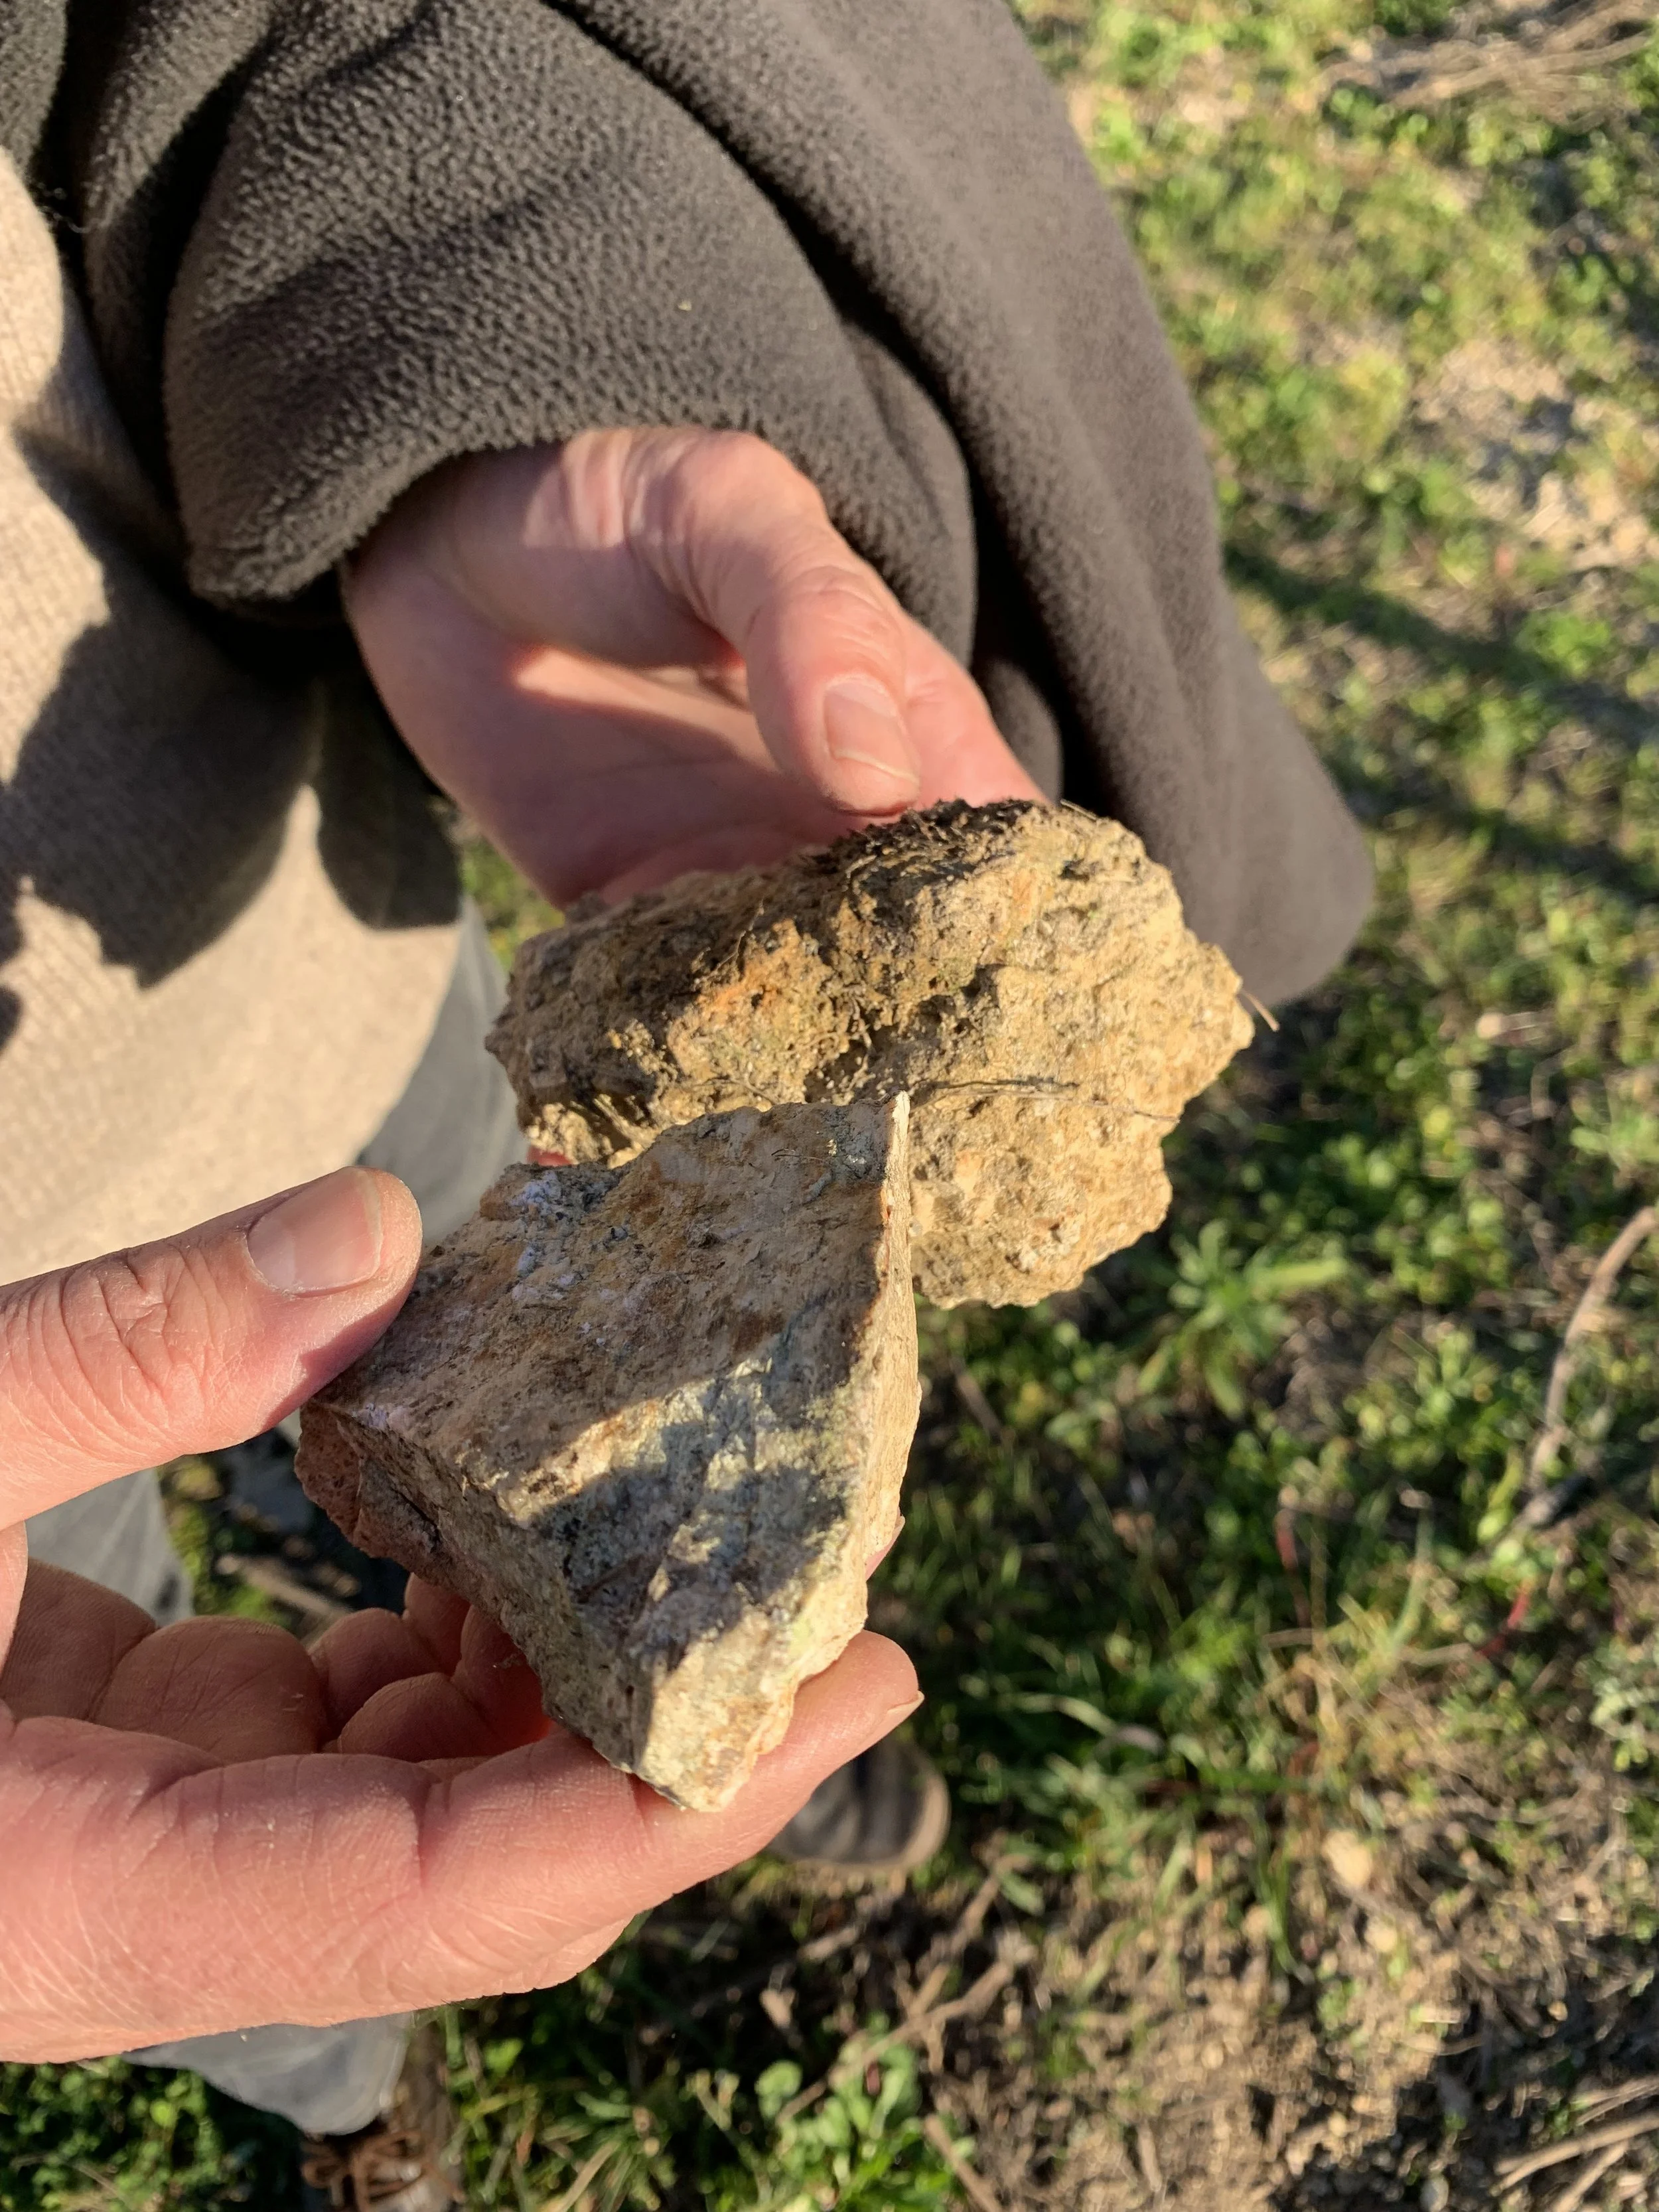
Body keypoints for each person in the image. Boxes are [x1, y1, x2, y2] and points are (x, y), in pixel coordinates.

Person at [1, 1, 1372, 2202]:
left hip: (306, 982)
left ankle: (645, 1634)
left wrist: (488, 389)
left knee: (459, 1231)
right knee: (216, 1835)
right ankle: (356, 2099)